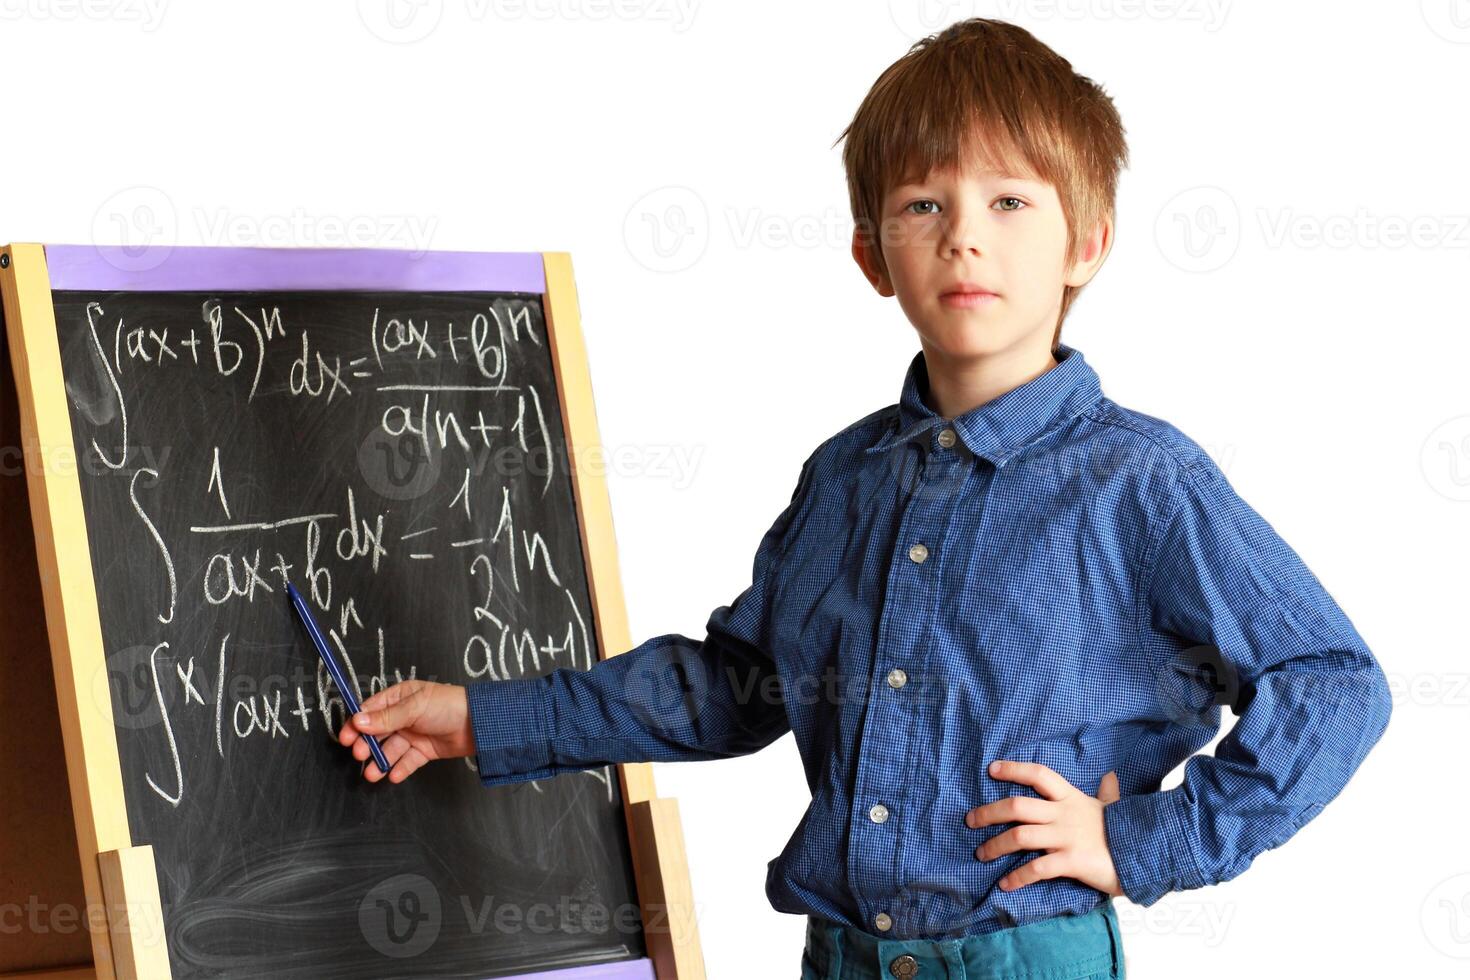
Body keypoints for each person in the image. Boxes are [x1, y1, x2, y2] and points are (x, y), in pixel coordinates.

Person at [336, 18, 1393, 979]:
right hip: (838, 957)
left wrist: (1143, 841)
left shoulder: (1144, 483)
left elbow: (1335, 680)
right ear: (871, 253)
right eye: (922, 204)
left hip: (1024, 957)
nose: (962, 235)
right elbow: (733, 687)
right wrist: (481, 716)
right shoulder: (844, 477)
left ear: (1086, 241)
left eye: (1008, 200)